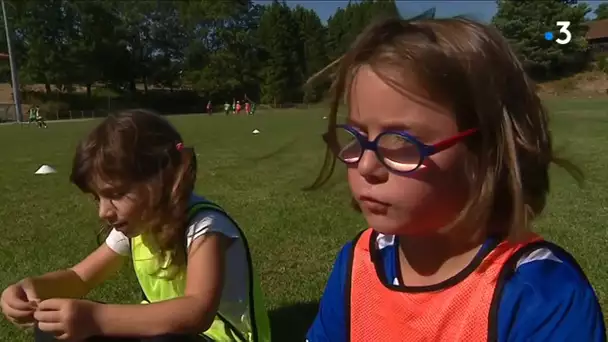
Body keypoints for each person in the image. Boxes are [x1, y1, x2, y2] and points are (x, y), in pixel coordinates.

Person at [305, 17, 606, 342]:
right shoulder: (358, 263)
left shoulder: (541, 296)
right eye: (357, 135)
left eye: (402, 142)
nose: (366, 165)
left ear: (489, 149)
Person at [0, 109, 271, 342]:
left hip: (214, 338)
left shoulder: (205, 227)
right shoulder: (137, 225)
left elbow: (197, 312)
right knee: (54, 329)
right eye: (98, 198)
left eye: (116, 194)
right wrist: (29, 288)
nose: (104, 211)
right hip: (162, 333)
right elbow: (79, 278)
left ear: (161, 179)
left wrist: (96, 318)